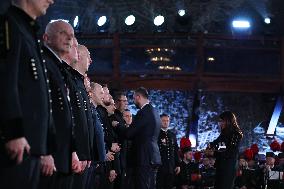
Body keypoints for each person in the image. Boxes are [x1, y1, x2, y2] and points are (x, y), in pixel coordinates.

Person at [0, 0, 54, 188]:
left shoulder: (28, 31)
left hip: (32, 145)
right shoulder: (9, 25)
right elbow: (5, 80)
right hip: (17, 143)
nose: (51, 0)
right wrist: (13, 132)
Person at [113, 87, 162, 189]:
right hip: (152, 156)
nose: (134, 101)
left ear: (138, 97)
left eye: (134, 98)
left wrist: (117, 125)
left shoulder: (143, 113)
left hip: (143, 158)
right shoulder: (154, 111)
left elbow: (129, 134)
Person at [209, 111, 243, 189]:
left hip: (228, 167)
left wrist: (214, 150)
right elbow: (215, 144)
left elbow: (230, 150)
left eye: (222, 121)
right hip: (220, 166)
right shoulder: (223, 134)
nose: (220, 123)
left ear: (228, 121)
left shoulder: (236, 134)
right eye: (219, 121)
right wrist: (211, 147)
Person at [156, 113, 180, 189]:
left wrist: (177, 164)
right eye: (163, 120)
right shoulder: (156, 134)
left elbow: (175, 150)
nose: (166, 122)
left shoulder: (172, 135)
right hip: (160, 166)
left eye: (167, 121)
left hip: (171, 167)